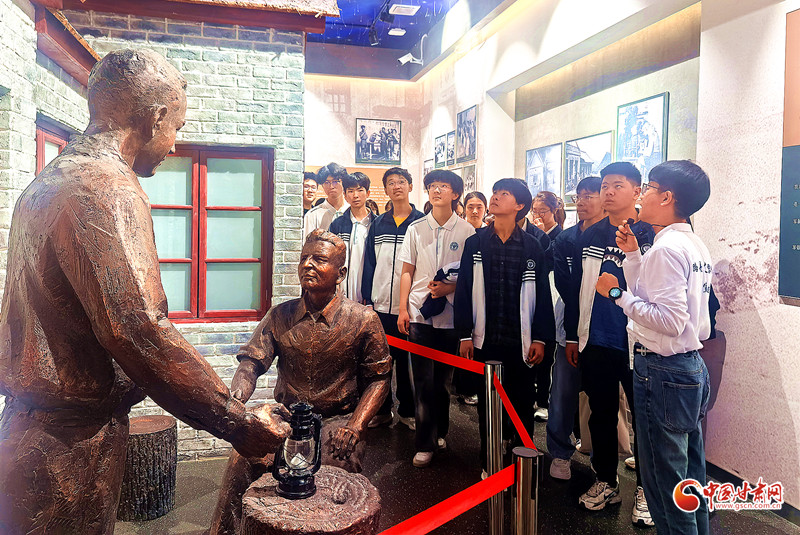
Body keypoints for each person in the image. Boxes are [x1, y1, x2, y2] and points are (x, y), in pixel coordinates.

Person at [0, 49, 290, 534]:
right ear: (155, 118)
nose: (174, 143)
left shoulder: (49, 180)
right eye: (176, 126)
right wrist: (234, 421)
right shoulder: (107, 186)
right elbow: (138, 330)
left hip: (33, 429)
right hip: (68, 444)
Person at [210, 230, 391, 534]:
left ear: (341, 273)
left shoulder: (363, 320)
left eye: (319, 259)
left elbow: (379, 379)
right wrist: (237, 399)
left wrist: (356, 426)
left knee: (332, 475)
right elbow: (251, 363)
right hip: (287, 418)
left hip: (337, 421)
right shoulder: (280, 315)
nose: (308, 264)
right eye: (304, 258)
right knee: (243, 455)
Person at [595, 160, 713, 535]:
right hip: (688, 366)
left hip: (664, 370)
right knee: (689, 480)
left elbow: (669, 319)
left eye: (648, 187)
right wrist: (633, 256)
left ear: (666, 197)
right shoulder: (690, 243)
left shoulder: (667, 248)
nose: (642, 194)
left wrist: (616, 294)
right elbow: (654, 291)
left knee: (665, 487)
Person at [564, 161, 655, 527]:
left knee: (645, 420)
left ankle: (647, 489)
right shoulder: (591, 235)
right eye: (605, 185)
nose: (609, 191)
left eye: (618, 185)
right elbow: (578, 290)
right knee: (600, 414)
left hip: (639, 342)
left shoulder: (651, 231)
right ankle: (606, 480)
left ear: (637, 190)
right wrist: (575, 335)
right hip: (596, 338)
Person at [454, 178, 555, 476]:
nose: (495, 197)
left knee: (522, 403)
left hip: (519, 339)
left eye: (504, 194)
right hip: (486, 338)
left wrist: (540, 338)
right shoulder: (476, 242)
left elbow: (543, 295)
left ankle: (522, 466)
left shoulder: (533, 245)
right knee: (488, 405)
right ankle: (489, 462)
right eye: (495, 193)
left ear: (519, 205)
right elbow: (464, 289)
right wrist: (464, 334)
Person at [397, 169, 475, 468]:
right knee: (422, 381)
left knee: (443, 381)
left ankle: (441, 431)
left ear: (456, 193)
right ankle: (425, 442)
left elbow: (470, 277)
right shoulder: (416, 228)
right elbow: (406, 271)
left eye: (443, 186)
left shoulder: (467, 231)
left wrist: (450, 288)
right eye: (432, 186)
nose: (437, 190)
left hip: (452, 316)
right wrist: (403, 308)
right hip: (419, 312)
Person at [546, 176, 605, 480]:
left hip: (604, 332)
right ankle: (560, 452)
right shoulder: (565, 239)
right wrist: (571, 333)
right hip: (568, 327)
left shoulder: (616, 237)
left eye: (589, 196)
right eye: (578, 196)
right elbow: (565, 287)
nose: (581, 202)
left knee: (603, 400)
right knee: (562, 394)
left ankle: (603, 464)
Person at [362, 167, 425, 430]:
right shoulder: (378, 224)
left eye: (401, 181)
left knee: (408, 364)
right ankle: (382, 410)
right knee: (381, 361)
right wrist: (368, 299)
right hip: (380, 305)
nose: (396, 186)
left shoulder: (421, 223)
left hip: (408, 307)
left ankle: (408, 411)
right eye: (391, 183)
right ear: (386, 189)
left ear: (410, 186)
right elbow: (369, 263)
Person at [528, 190, 566, 421]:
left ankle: (544, 400)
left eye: (543, 211)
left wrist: (541, 237)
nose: (538, 215)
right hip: (535, 297)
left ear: (554, 211)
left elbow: (549, 265)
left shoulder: (559, 236)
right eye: (535, 210)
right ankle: (534, 396)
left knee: (548, 353)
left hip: (554, 298)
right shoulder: (531, 234)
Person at [330, 172, 376, 303]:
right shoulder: (337, 224)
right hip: (341, 293)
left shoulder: (376, 224)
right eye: (350, 191)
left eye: (360, 190)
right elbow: (331, 259)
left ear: (368, 193)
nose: (355, 195)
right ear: (345, 195)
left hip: (369, 295)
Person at [303, 162, 349, 237]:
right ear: (322, 185)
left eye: (335, 181)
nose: (331, 186)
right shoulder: (313, 215)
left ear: (343, 182)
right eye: (326, 182)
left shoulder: (352, 210)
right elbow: (307, 243)